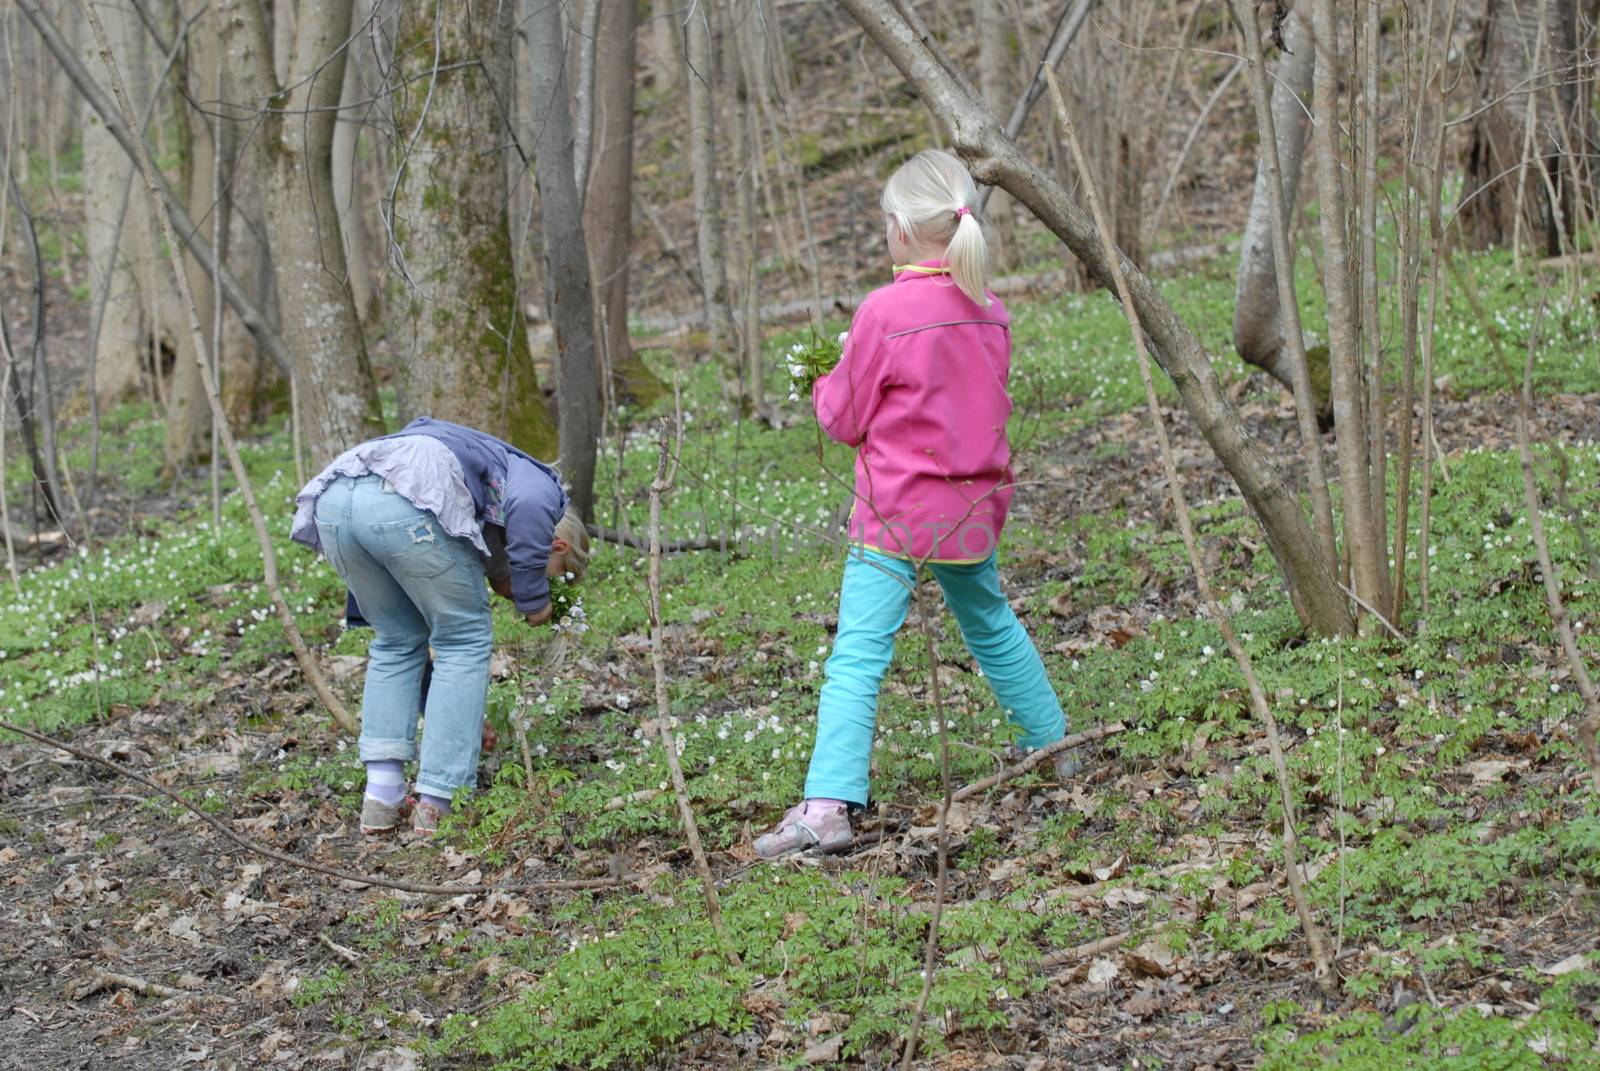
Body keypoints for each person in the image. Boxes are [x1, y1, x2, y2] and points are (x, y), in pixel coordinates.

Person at [755, 150, 1079, 859]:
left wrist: (823, 378)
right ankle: (1056, 748)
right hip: (971, 509)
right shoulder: (991, 311)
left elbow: (843, 417)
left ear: (901, 229)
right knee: (992, 624)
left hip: (897, 514)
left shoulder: (883, 311)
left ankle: (828, 806)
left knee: (859, 655)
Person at [291, 417, 590, 836]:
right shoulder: (542, 488)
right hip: (401, 498)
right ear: (554, 545)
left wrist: (452, 715)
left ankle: (381, 796)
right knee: (464, 641)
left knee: (397, 640)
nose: (525, 584)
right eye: (549, 573)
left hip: (337, 498)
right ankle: (437, 802)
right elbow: (528, 510)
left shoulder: (473, 497)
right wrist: (537, 601)